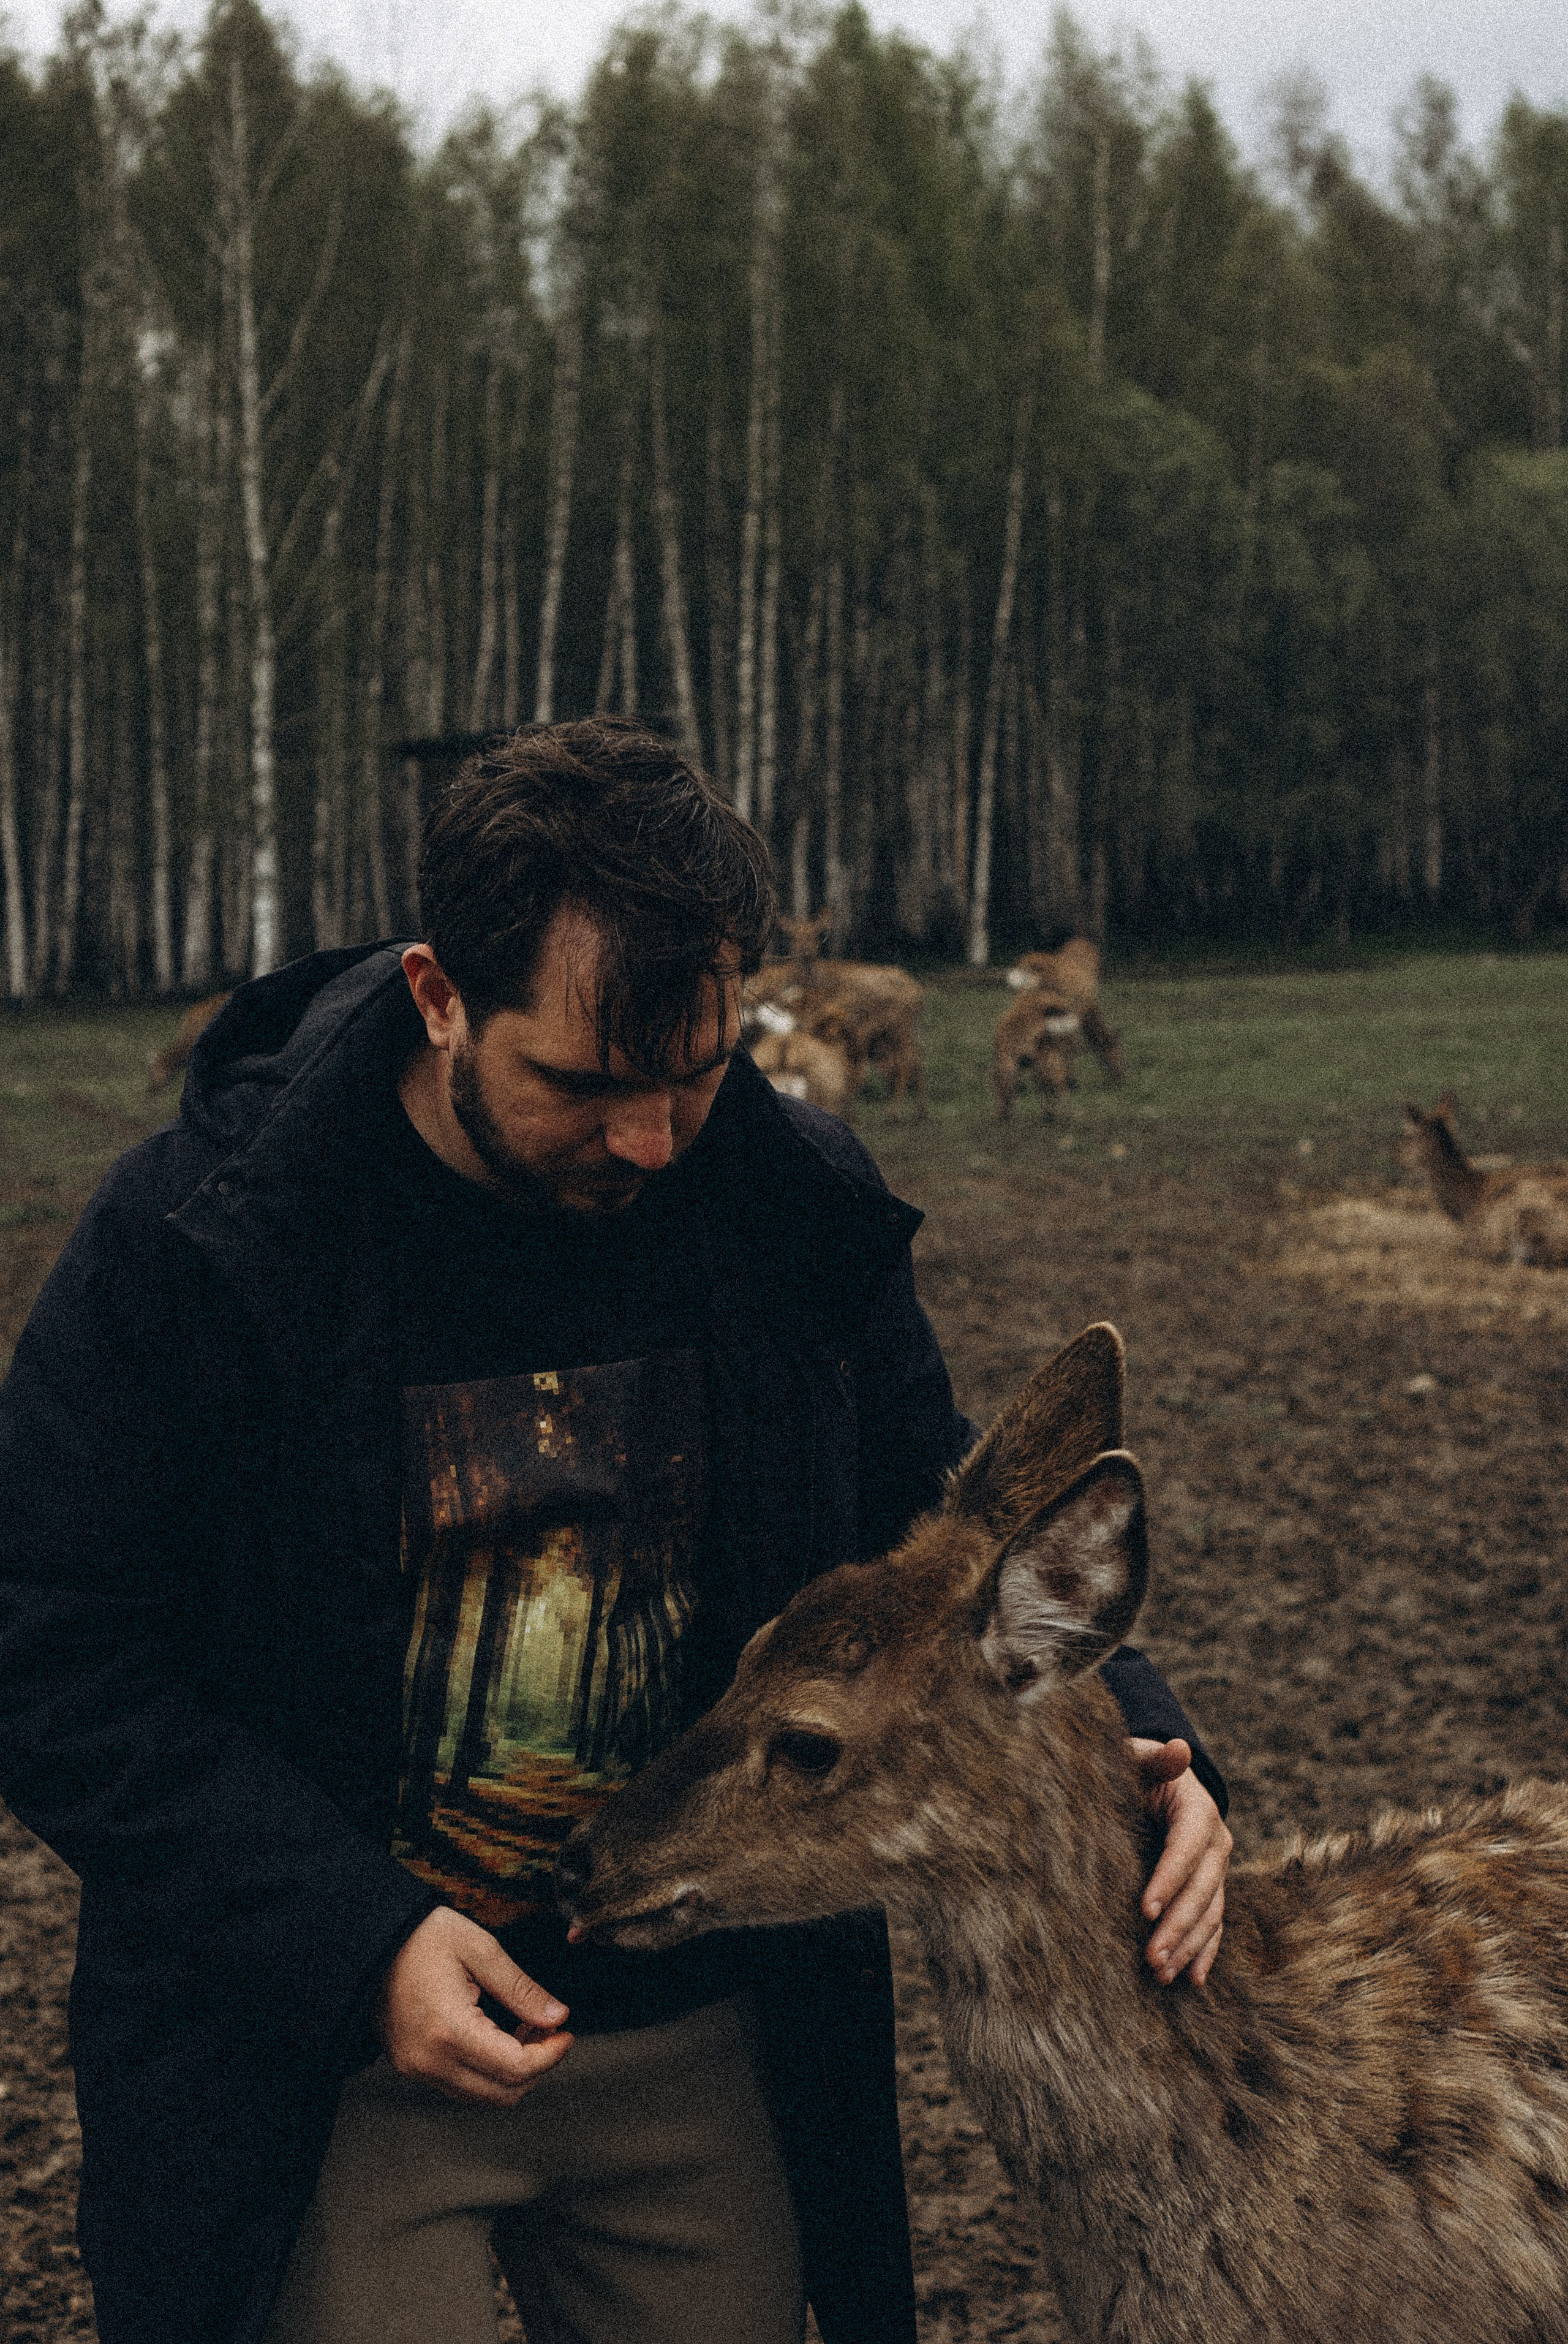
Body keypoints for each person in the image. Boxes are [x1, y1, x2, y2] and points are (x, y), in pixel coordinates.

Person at [0, 718, 1231, 2344]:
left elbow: (924, 1523)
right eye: (584, 1083)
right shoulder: (201, 1244)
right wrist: (351, 1942)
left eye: (698, 1070)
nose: (654, 1139)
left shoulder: (791, 1202)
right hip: (328, 2058)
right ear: (442, 994)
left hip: (698, 2040)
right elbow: (50, 1651)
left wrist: (1144, 1734)